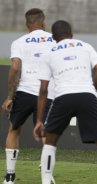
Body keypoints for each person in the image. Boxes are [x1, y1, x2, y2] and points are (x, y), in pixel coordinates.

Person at [33, 20, 97, 184]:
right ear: (72, 34)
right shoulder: (85, 46)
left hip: (63, 97)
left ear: (53, 37)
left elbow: (43, 90)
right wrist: (90, 88)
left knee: (50, 143)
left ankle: (46, 181)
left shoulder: (49, 53)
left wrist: (39, 120)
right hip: (87, 96)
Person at [1, 8, 56, 184]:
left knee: (14, 129)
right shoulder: (55, 40)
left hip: (24, 91)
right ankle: (47, 176)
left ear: (27, 24)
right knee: (47, 135)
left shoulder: (19, 42)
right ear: (43, 22)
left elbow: (15, 68)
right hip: (47, 92)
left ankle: (9, 177)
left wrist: (10, 96)